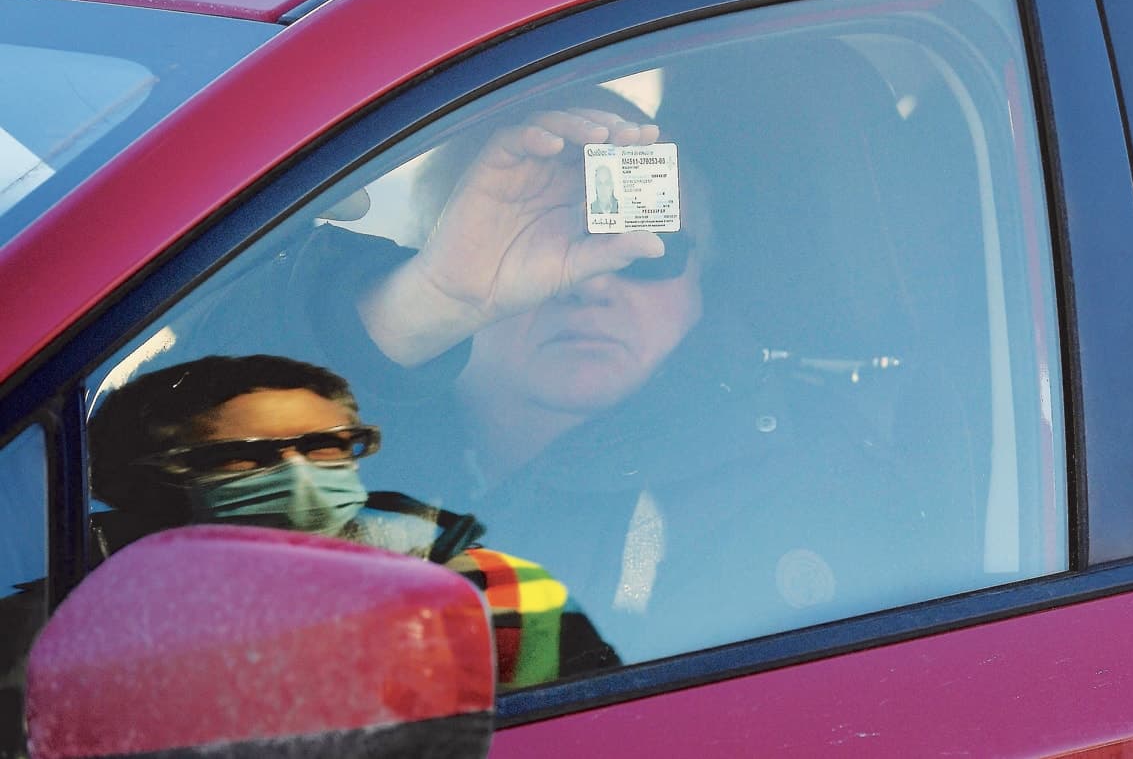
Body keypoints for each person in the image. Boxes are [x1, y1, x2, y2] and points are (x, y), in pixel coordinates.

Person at [169, 79, 967, 662]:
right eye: (543, 246)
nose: (590, 280)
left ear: (703, 286)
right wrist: (423, 304)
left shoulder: (802, 499)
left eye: (648, 251)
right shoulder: (348, 448)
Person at [83, 353, 618, 691]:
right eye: (241, 457)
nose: (299, 476)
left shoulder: (496, 594)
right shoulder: (85, 622)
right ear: (158, 482)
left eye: (325, 447)